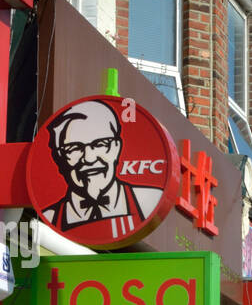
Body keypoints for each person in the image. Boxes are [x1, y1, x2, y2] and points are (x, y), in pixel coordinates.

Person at [44, 100, 163, 235]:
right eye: (74, 148)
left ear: (116, 148)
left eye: (100, 144)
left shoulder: (149, 201)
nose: (89, 158)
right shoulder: (48, 218)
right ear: (60, 156)